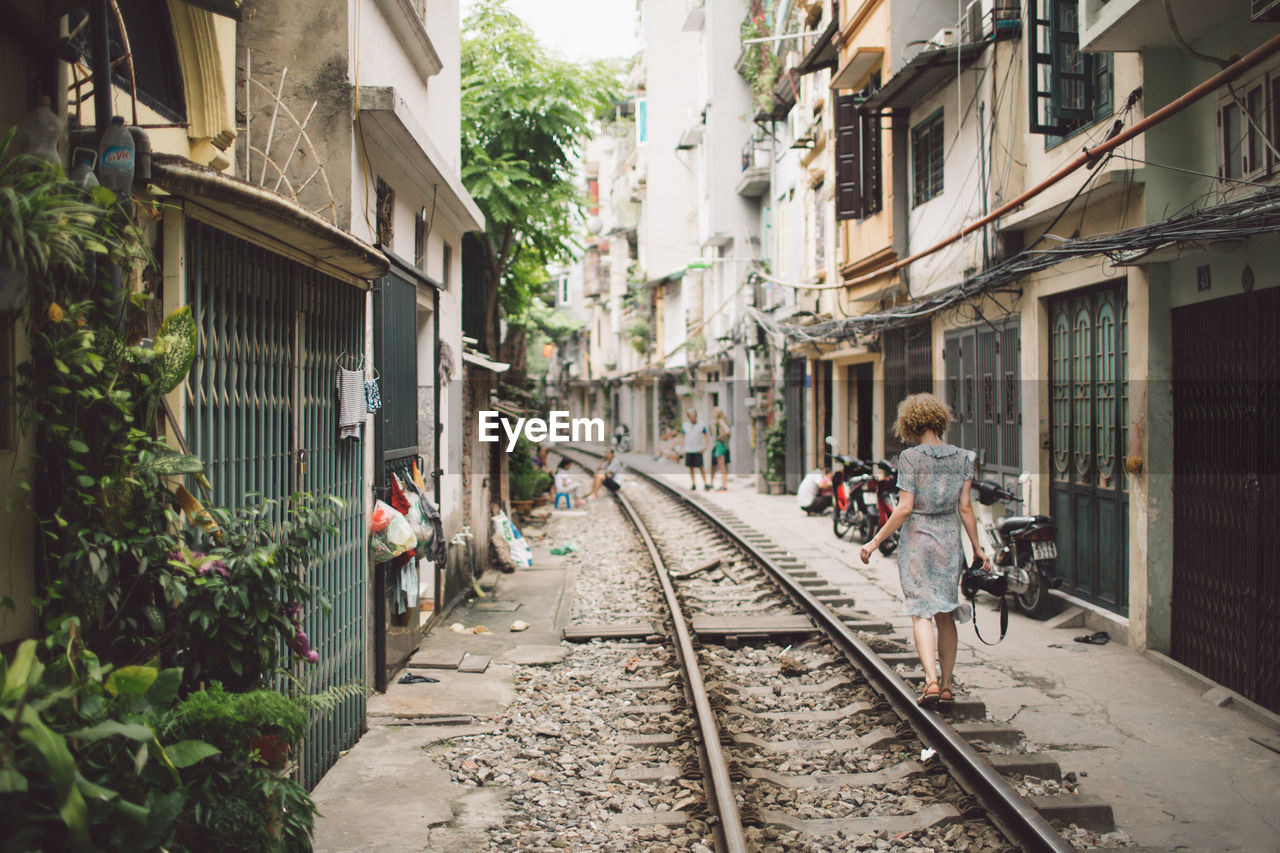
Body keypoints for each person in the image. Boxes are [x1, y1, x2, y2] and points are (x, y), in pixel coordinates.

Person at [859, 392, 991, 711]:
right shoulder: (963, 458)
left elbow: (904, 508)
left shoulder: (910, 458)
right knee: (946, 612)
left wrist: (874, 542)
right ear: (939, 420)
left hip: (917, 540)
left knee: (921, 611)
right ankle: (946, 686)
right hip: (949, 541)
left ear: (909, 424)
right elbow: (965, 508)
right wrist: (978, 549)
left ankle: (930, 680)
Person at [681, 409, 711, 491]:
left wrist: (705, 447)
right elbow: (682, 437)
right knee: (691, 468)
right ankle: (693, 484)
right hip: (688, 450)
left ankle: (705, 483)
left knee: (701, 467)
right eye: (691, 416)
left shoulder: (701, 424)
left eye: (693, 415)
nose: (692, 417)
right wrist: (682, 448)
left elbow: (706, 435)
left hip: (698, 449)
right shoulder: (685, 425)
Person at [710, 408, 732, 492]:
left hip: (720, 445)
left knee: (722, 465)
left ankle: (724, 485)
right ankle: (722, 484)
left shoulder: (720, 421)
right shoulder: (717, 422)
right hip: (719, 445)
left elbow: (727, 431)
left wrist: (721, 435)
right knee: (720, 465)